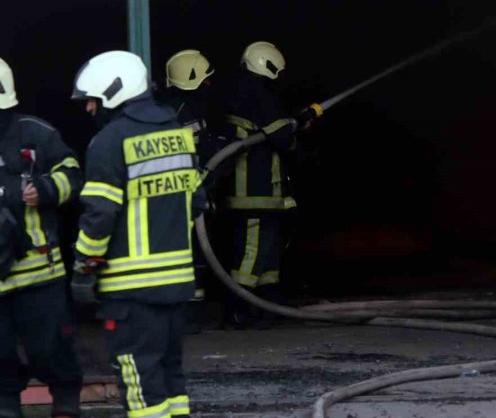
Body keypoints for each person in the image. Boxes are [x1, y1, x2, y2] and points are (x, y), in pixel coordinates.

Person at [70, 50, 207, 418]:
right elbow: (196, 202)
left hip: (131, 291)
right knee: (170, 377)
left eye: (93, 101)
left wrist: (84, 268)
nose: (89, 110)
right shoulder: (178, 134)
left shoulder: (109, 142)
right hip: (178, 285)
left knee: (139, 380)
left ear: (115, 92)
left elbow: (99, 217)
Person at [0, 57, 84, 418]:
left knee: (52, 348)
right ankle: (5, 405)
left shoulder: (36, 133)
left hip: (38, 273)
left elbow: (74, 174)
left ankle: (66, 402)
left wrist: (47, 188)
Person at [222, 42, 316, 328]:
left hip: (260, 190)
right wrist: (301, 120)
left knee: (268, 251)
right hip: (254, 190)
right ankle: (238, 308)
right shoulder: (258, 94)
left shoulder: (244, 93)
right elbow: (281, 135)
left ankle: (268, 304)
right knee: (253, 251)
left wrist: (296, 123)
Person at [158, 50, 216, 332]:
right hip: (183, 194)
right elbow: (191, 154)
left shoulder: (178, 109)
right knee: (187, 255)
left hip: (188, 191)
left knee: (193, 255)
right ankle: (186, 316)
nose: (209, 85)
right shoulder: (182, 112)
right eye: (205, 80)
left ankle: (189, 314)